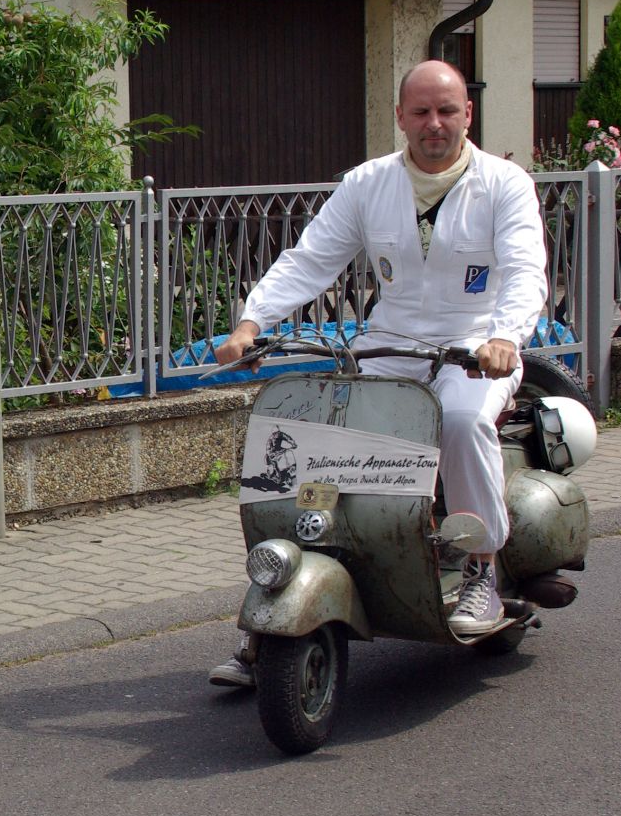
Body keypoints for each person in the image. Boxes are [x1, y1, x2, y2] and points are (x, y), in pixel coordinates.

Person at [207, 60, 549, 685]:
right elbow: (311, 258)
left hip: (474, 346)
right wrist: (251, 323)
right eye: (421, 112)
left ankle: (481, 570)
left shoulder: (504, 184)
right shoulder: (368, 183)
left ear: (468, 114)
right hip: (389, 343)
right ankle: (280, 596)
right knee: (318, 435)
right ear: (400, 117)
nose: (434, 123)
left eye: (446, 110)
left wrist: (505, 336)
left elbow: (526, 269)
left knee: (463, 421)